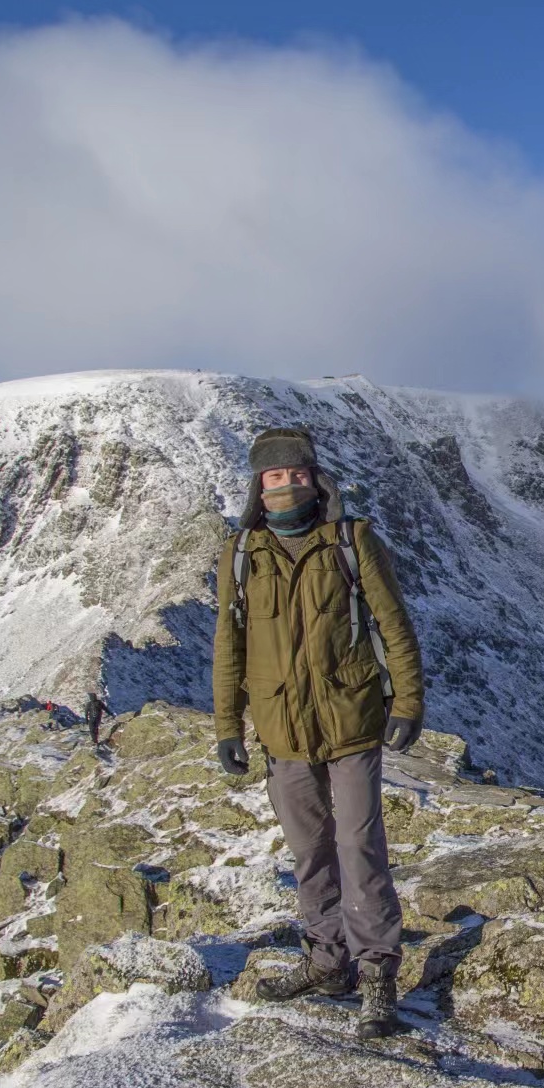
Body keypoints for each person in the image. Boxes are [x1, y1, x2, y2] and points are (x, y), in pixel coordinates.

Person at [211, 427, 426, 1038]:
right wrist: (228, 724)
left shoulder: (352, 542)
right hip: (281, 730)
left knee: (360, 848)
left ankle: (378, 970)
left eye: (296, 474)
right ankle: (328, 962)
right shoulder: (240, 554)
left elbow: (392, 625)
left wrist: (407, 702)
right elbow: (229, 645)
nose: (287, 485)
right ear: (259, 485)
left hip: (352, 719)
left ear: (315, 478)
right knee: (310, 853)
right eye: (274, 477)